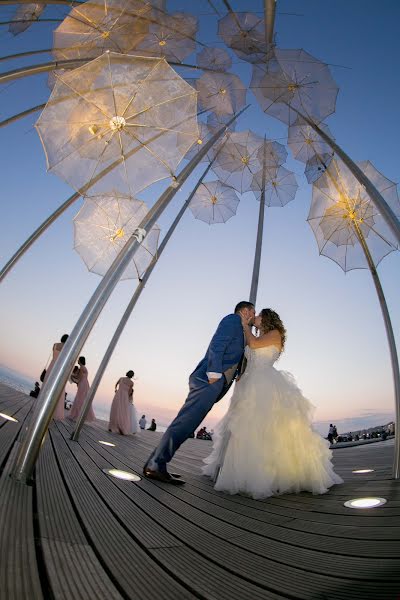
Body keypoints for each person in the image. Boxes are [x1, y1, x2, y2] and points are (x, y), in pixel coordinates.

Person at [203, 308, 343, 499]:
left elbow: (253, 343)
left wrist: (244, 325)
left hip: (264, 383)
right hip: (248, 382)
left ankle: (269, 475)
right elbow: (249, 354)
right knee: (242, 428)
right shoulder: (260, 334)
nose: (256, 317)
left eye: (259, 315)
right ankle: (240, 470)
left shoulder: (274, 334)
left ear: (267, 319)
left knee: (265, 427)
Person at [143, 301, 255, 485]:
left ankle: (157, 463)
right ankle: (155, 465)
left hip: (215, 383)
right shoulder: (232, 320)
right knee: (184, 424)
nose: (253, 315)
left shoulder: (242, 329)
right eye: (252, 311)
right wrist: (213, 373)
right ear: (244, 311)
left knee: (186, 424)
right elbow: (217, 344)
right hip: (208, 380)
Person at [42, 334, 69, 420]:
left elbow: (54, 355)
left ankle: (42, 407)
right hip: (59, 369)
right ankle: (53, 410)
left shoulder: (55, 344)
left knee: (47, 386)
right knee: (57, 389)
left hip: (52, 366)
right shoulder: (67, 348)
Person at [108, 370, 137, 435]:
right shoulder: (131, 383)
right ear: (132, 376)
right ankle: (121, 427)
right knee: (123, 412)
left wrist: (115, 390)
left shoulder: (121, 378)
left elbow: (116, 384)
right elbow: (130, 392)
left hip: (118, 395)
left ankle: (112, 426)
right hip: (125, 397)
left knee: (115, 409)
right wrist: (129, 400)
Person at [69, 357, 95, 422]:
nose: (77, 360)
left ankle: (77, 416)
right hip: (85, 384)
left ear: (80, 361)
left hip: (82, 384)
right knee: (82, 399)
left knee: (79, 399)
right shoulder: (84, 368)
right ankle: (80, 415)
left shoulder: (82, 368)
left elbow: (78, 377)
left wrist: (71, 375)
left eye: (78, 360)